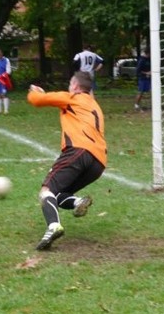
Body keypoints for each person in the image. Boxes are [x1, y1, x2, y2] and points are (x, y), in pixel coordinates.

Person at [27, 71, 107, 250]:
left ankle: (53, 226)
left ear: (76, 87)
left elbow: (37, 100)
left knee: (46, 191)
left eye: (71, 83)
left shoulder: (72, 98)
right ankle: (77, 202)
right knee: (59, 193)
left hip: (78, 151)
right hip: (99, 162)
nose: (69, 87)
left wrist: (34, 91)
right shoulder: (95, 106)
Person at [0, 48, 12, 114]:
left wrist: (3, 75)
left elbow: (9, 71)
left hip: (4, 80)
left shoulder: (6, 60)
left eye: (1, 53)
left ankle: (6, 110)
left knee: (4, 94)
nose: (0, 54)